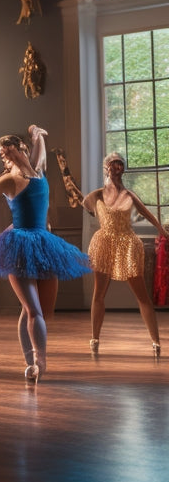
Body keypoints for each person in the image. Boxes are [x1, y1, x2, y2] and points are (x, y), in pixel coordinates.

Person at [0, 131, 90, 383]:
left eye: (9, 151)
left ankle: (31, 363)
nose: (5, 157)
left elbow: (39, 145)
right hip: (19, 247)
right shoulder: (9, 180)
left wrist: (37, 133)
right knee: (32, 310)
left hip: (43, 243)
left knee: (35, 310)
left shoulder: (38, 170)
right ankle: (38, 360)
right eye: (2, 155)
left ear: (22, 149)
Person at [83, 152, 167, 357]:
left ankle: (155, 342)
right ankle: (95, 339)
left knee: (142, 295)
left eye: (120, 165)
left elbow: (149, 215)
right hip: (104, 243)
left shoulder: (129, 195)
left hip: (128, 244)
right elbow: (87, 206)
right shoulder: (96, 195)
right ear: (106, 168)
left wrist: (163, 231)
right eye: (113, 164)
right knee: (99, 293)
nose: (117, 168)